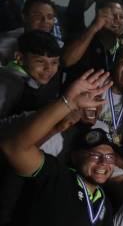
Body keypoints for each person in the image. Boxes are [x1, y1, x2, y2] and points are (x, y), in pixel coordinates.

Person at [0, 69, 115, 226]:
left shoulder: (105, 205)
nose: (103, 162)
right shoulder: (56, 176)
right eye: (95, 155)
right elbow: (14, 149)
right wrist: (68, 102)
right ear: (74, 156)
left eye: (110, 157)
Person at [63, 0, 123, 84]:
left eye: (121, 17)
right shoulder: (84, 39)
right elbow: (66, 61)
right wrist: (95, 26)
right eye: (112, 15)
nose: (117, 19)